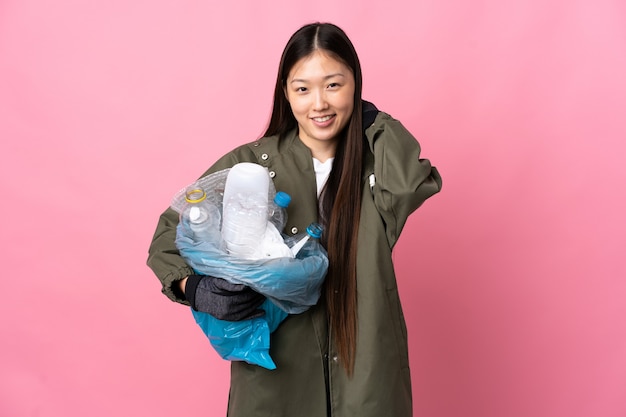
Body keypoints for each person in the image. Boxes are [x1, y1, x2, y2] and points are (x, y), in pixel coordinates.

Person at [147, 22, 442, 417]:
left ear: (356, 84)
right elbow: (172, 229)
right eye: (302, 88)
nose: (318, 103)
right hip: (275, 382)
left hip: (365, 381)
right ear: (285, 93)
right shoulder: (250, 166)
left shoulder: (376, 167)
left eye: (334, 85)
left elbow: (410, 185)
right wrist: (195, 286)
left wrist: (375, 121)